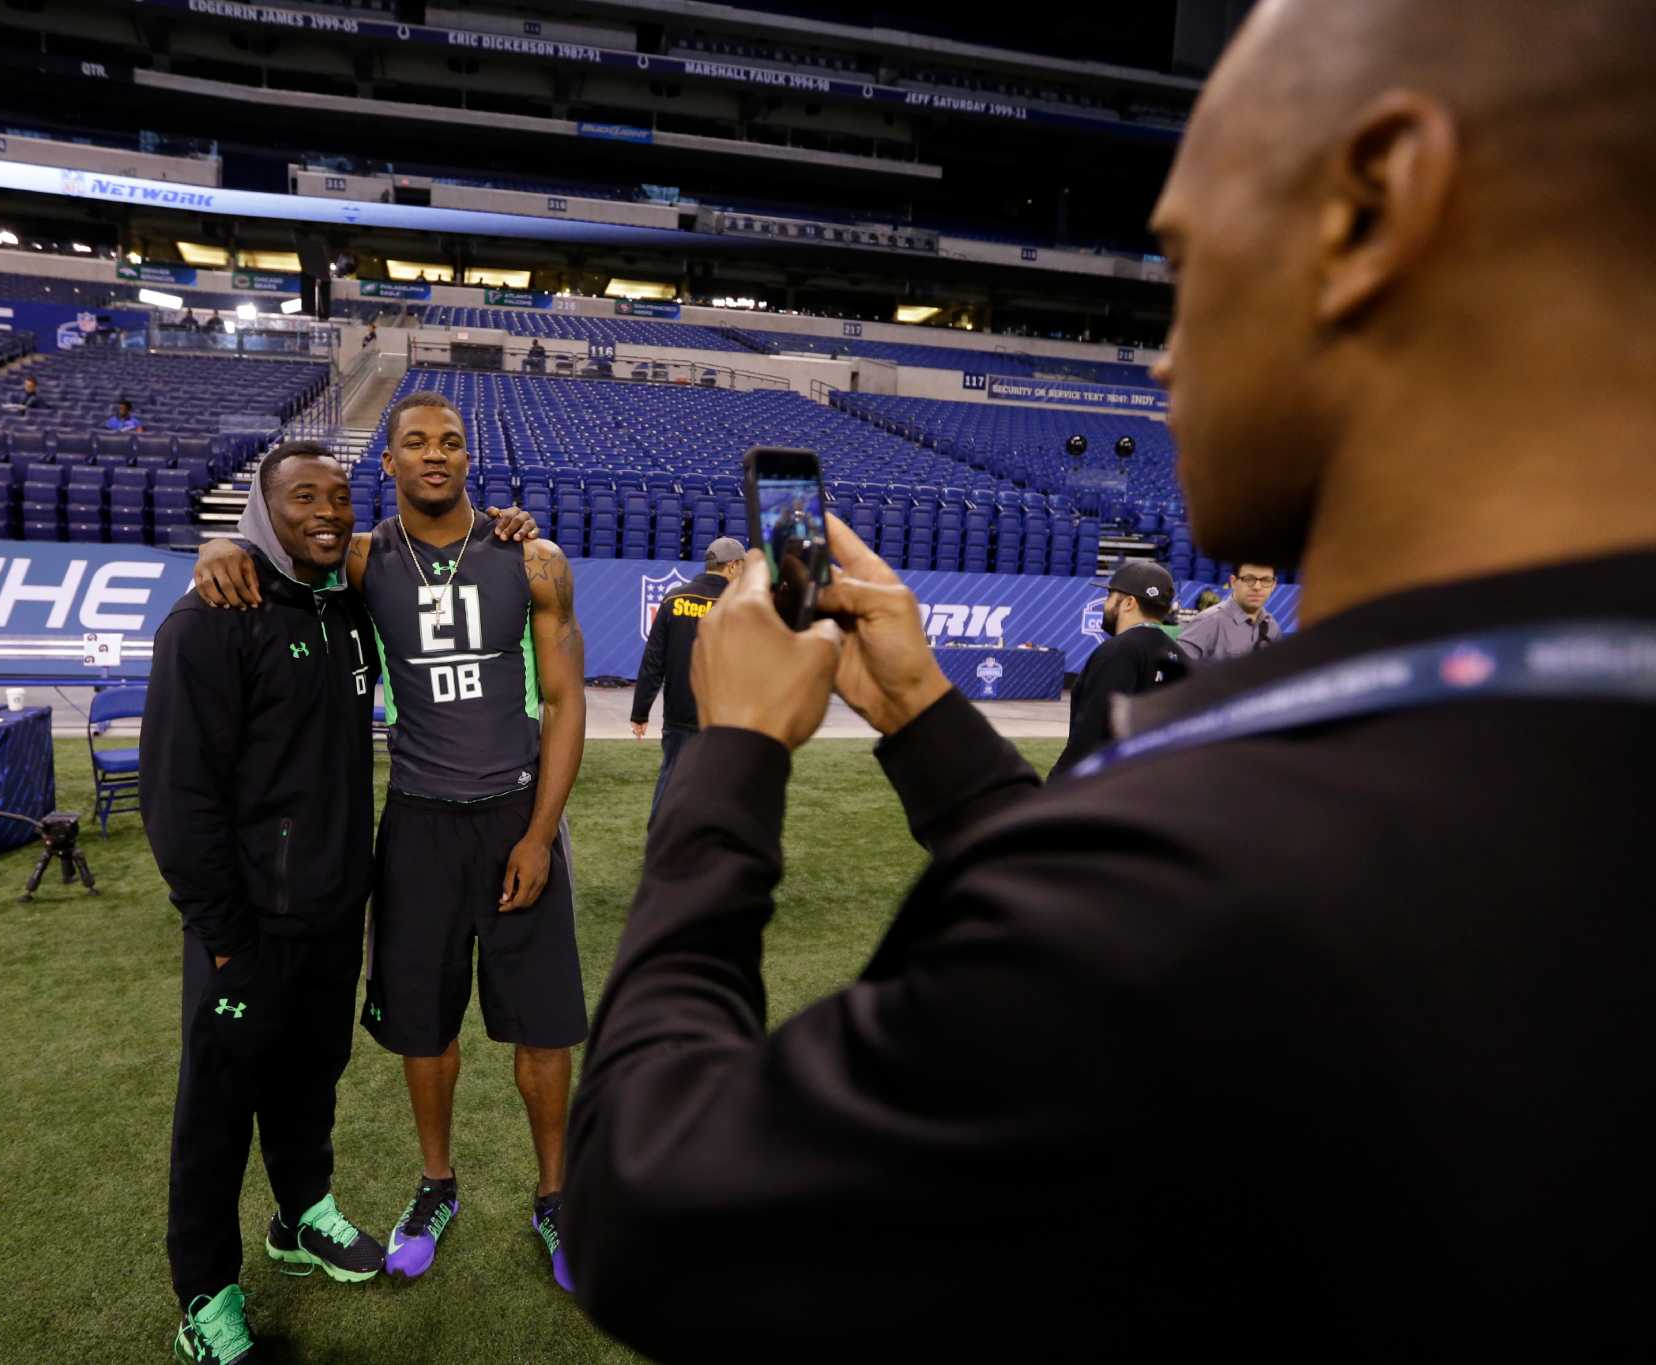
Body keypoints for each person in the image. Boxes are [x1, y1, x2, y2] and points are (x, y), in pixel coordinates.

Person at [560, 0, 1656, 1357]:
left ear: (1375, 204)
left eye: (1185, 260)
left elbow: (654, 1201)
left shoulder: (1202, 886)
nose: (1163, 353)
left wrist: (728, 762)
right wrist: (924, 721)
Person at [193, 391, 588, 1294]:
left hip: (514, 816)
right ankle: (436, 1184)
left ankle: (556, 1196)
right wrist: (216, 549)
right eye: (416, 442)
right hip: (416, 822)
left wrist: (537, 834)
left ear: (469, 458)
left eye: (451, 442)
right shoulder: (365, 559)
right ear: (392, 463)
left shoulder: (533, 558)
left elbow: (566, 706)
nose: (435, 455)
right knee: (423, 1027)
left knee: (544, 1029)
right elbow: (279, 558)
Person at [141, 444, 386, 1365]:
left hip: (330, 917)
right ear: (261, 509)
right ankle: (205, 1298)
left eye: (338, 496)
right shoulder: (209, 619)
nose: (327, 512)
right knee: (215, 1118)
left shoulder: (344, 610)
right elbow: (178, 799)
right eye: (302, 498)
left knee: (310, 1079)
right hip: (243, 932)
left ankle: (299, 1216)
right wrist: (225, 937)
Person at [629, 536, 746, 821]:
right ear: (731, 566)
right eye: (742, 566)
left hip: (679, 712)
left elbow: (653, 662)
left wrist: (640, 712)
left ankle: (660, 843)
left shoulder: (674, 599)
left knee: (671, 777)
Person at [1050, 557, 1187, 776]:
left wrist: (1057, 788)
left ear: (1129, 603)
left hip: (1105, 790)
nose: (1106, 604)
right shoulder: (1179, 655)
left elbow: (1091, 734)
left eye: (1110, 596)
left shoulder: (1119, 651)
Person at [1177, 562, 1284, 660]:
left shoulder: (1272, 627)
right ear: (1233, 582)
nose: (1257, 587)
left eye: (1266, 580)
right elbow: (1176, 671)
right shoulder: (1208, 621)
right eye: (1249, 579)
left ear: (1274, 585)